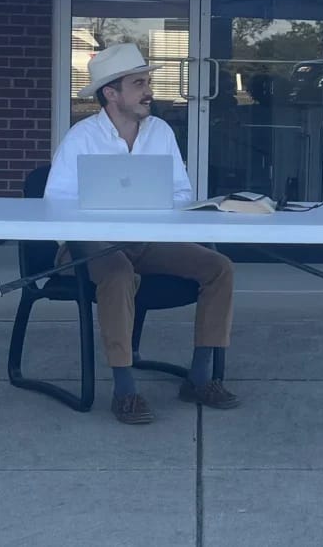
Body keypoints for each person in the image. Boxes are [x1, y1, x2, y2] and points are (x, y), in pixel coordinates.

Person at [46, 41, 241, 425]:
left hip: (149, 241)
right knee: (118, 273)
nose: (149, 91)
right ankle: (125, 389)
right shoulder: (81, 138)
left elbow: (183, 193)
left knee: (220, 267)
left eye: (146, 82)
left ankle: (200, 377)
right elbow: (54, 204)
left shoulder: (161, 132)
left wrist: (157, 208)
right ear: (111, 93)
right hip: (90, 247)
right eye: (139, 84)